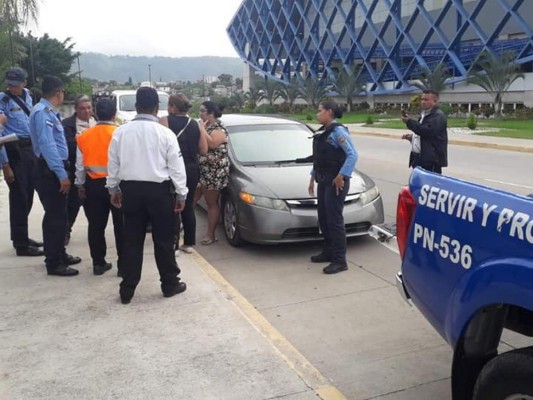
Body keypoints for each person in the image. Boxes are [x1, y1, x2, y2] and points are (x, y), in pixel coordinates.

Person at [106, 87, 188, 304]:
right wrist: (181, 194)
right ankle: (169, 284)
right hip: (159, 193)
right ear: (156, 108)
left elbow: (112, 164)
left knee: (132, 240)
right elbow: (177, 168)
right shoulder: (165, 134)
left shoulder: (120, 132)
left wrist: (113, 189)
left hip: (131, 192)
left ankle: (127, 289)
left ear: (136, 107)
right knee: (163, 240)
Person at [29, 76, 82, 277]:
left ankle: (59, 252)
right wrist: (61, 174)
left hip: (51, 169)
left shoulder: (47, 111)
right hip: (49, 171)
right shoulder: (42, 113)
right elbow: (48, 146)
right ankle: (54, 263)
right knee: (55, 218)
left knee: (59, 215)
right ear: (58, 92)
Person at [308, 100, 358, 275]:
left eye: (319, 111)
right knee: (324, 217)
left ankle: (339, 260)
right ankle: (328, 251)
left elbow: (352, 155)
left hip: (336, 180)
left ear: (329, 112)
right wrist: (312, 177)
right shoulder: (324, 132)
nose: (317, 114)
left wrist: (341, 175)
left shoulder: (339, 132)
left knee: (334, 220)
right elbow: (320, 158)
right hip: (323, 179)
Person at [75, 99, 123, 276]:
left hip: (93, 185)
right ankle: (123, 265)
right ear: (114, 114)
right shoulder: (120, 134)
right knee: (122, 226)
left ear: (95, 112)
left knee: (95, 226)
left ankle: (98, 263)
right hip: (118, 187)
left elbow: (80, 166)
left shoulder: (84, 136)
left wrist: (79, 185)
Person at [0, 67, 44, 256]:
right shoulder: (3, 100)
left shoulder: (29, 95)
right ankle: (21, 244)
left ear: (24, 83)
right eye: (9, 84)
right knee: (19, 197)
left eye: (15, 85)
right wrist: (5, 165)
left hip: (30, 149)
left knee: (29, 195)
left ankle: (22, 235)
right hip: (14, 151)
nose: (12, 88)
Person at [160, 93, 207, 253]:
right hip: (192, 168)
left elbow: (161, 147)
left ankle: (174, 243)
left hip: (172, 168)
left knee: (172, 205)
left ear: (172, 106)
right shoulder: (196, 124)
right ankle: (188, 243)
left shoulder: (165, 121)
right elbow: (204, 149)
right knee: (187, 205)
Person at [62, 94, 96, 245]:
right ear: (76, 109)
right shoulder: (67, 124)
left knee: (94, 209)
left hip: (95, 173)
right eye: (82, 108)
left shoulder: (98, 122)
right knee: (72, 205)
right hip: (76, 170)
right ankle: (65, 231)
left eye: (89, 108)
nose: (86, 111)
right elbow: (68, 146)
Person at [194, 101, 229, 245]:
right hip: (200, 170)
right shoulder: (206, 127)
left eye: (203, 111)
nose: (200, 113)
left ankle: (211, 235)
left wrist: (202, 129)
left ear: (211, 113)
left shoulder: (219, 129)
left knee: (211, 203)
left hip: (213, 172)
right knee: (191, 201)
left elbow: (213, 144)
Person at [401, 89, 448, 174]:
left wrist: (409, 122)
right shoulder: (424, 114)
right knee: (418, 185)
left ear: (435, 101)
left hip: (430, 161)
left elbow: (427, 131)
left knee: (430, 184)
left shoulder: (438, 115)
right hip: (418, 159)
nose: (423, 102)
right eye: (422, 99)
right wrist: (412, 138)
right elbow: (423, 134)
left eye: (426, 100)